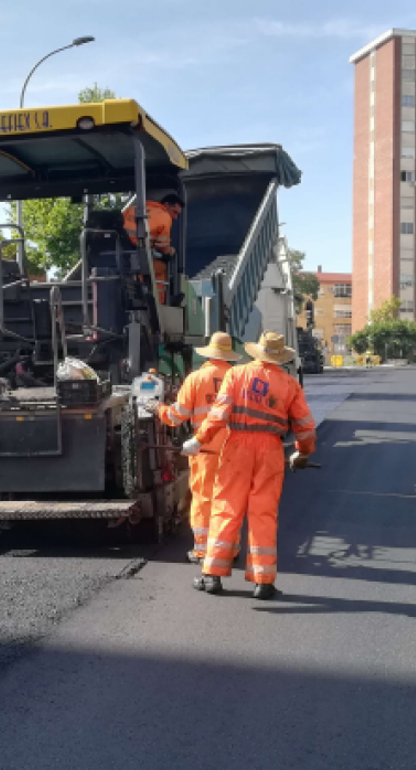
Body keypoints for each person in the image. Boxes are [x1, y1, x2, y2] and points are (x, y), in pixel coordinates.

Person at [182, 331, 316, 600]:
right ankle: (263, 582)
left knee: (226, 508)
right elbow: (305, 427)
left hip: (237, 447)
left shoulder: (236, 375)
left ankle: (212, 577)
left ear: (257, 351)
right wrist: (301, 454)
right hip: (271, 451)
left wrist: (198, 440)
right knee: (263, 515)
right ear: (280, 357)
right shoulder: (289, 384)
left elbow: (218, 414)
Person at [146, 332, 239, 564]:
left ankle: (202, 550)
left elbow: (176, 417)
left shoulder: (196, 379)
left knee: (203, 499)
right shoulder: (239, 377)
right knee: (230, 500)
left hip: (205, 450)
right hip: (236, 451)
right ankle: (230, 549)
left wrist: (156, 407)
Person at [122, 193, 184, 303]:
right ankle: (159, 301)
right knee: (162, 267)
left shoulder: (130, 210)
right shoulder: (164, 216)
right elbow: (163, 247)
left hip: (122, 255)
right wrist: (171, 251)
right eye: (174, 212)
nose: (175, 217)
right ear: (166, 205)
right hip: (139, 258)